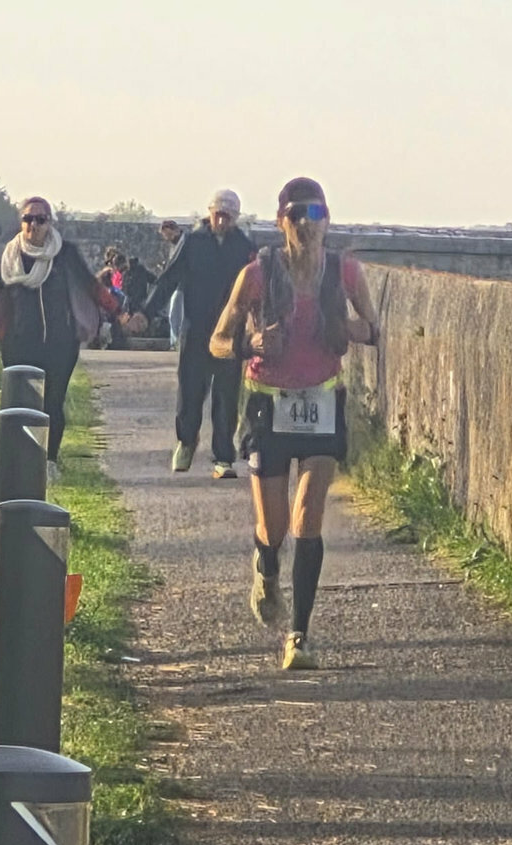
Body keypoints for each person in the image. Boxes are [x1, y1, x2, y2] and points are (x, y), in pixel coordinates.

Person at [209, 177, 379, 669]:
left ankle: (299, 636)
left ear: (328, 220)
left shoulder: (345, 273)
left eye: (316, 213)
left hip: (322, 400)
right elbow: (217, 341)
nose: (307, 222)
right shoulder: (257, 275)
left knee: (308, 516)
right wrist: (250, 344)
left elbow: (374, 329)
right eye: (297, 214)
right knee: (275, 525)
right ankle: (265, 565)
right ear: (281, 221)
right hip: (269, 403)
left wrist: (349, 329)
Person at [0, 196, 124, 480]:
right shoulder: (10, 256)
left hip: (59, 343)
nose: (34, 225)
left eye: (40, 219)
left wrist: (119, 313)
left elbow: (91, 286)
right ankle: (21, 460)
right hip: (18, 342)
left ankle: (49, 459)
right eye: (28, 219)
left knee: (53, 403)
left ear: (50, 222)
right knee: (20, 405)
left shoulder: (64, 253)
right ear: (21, 222)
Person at [129, 192, 255, 479]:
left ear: (235, 218)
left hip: (229, 333)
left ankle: (223, 457)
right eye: (218, 215)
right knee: (190, 390)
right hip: (195, 327)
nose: (221, 221)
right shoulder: (193, 242)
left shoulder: (244, 247)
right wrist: (146, 313)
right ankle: (186, 441)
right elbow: (168, 279)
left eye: (228, 216)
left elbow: (255, 288)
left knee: (226, 395)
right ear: (210, 213)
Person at [159, 220, 184, 348]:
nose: (167, 238)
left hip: (183, 285)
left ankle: (176, 342)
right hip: (177, 285)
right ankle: (175, 341)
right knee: (174, 315)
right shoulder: (174, 245)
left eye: (168, 235)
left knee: (176, 314)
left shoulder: (185, 243)